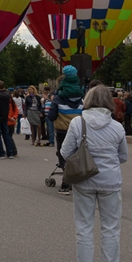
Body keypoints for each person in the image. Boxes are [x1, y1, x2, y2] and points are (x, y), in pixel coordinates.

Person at [61, 84, 128, 262]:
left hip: (84, 180)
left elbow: (65, 152)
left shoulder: (77, 123)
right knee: (111, 228)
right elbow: (123, 156)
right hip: (110, 181)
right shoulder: (117, 126)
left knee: (84, 226)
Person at [48, 66, 85, 195]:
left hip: (63, 129)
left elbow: (51, 115)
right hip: (79, 130)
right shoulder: (81, 98)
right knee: (77, 153)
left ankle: (65, 183)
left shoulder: (58, 98)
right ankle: (77, 179)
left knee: (63, 154)